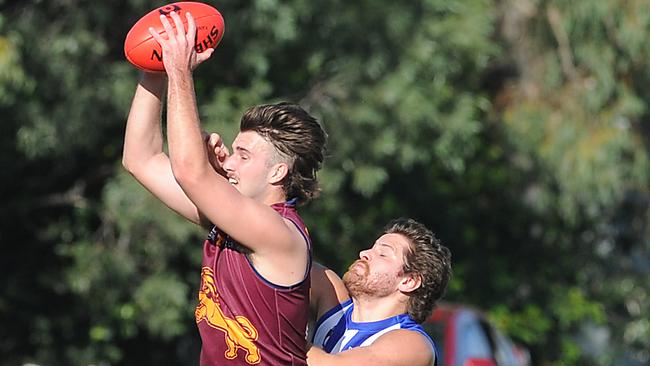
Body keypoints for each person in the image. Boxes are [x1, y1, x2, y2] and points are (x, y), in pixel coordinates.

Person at [122, 11, 327, 365]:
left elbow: (189, 171)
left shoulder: (280, 233)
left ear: (279, 171)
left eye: (243, 156)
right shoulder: (228, 225)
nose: (229, 163)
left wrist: (180, 73)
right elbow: (140, 158)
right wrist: (154, 67)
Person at [308, 218, 452, 366]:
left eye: (383, 253)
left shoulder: (413, 345)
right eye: (371, 248)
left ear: (409, 281)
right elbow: (287, 265)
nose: (364, 253)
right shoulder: (334, 300)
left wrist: (284, 331)